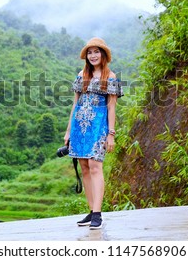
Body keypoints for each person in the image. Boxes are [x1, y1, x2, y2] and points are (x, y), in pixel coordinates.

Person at [64, 37, 123, 230]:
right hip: (79, 126)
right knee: (84, 166)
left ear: (103, 54)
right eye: (90, 52)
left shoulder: (111, 77)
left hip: (99, 126)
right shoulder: (82, 75)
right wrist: (68, 132)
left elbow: (112, 107)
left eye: (96, 52)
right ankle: (91, 211)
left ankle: (97, 213)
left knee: (95, 165)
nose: (93, 55)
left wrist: (111, 134)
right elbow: (75, 103)